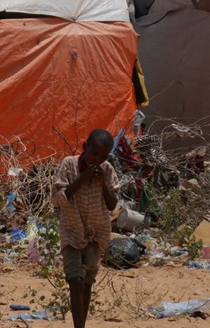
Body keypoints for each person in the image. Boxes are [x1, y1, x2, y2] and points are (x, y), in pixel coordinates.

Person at [52, 129, 119, 328]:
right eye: (94, 153)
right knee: (76, 280)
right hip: (72, 230)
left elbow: (112, 204)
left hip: (97, 233)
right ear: (84, 148)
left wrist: (101, 182)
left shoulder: (107, 171)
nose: (97, 160)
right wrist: (83, 178)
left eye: (103, 156)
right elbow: (57, 199)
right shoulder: (69, 165)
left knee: (88, 281)